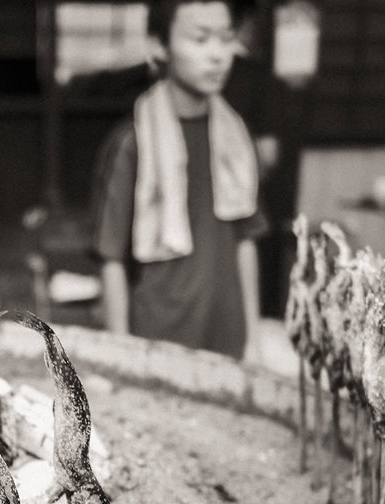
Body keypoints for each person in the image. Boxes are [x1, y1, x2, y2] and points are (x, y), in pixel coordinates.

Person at [91, 0, 267, 360]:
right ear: (159, 44)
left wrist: (254, 340)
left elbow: (245, 240)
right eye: (201, 40)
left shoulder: (236, 136)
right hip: (158, 340)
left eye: (225, 39)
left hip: (227, 339)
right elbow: (111, 258)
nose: (217, 55)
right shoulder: (133, 141)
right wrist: (122, 353)